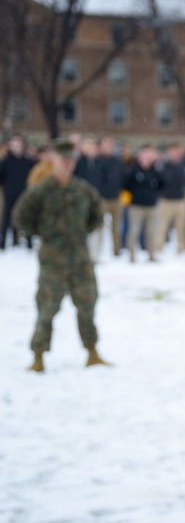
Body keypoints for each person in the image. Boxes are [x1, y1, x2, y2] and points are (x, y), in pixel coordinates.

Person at [12, 139, 108, 372]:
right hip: (52, 260)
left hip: (80, 259)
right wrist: (44, 234)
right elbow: (20, 217)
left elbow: (97, 215)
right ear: (53, 161)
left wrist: (81, 231)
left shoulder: (83, 190)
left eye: (70, 161)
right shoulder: (41, 191)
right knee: (47, 308)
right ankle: (38, 356)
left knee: (87, 306)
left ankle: (92, 352)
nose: (67, 165)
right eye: (62, 160)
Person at [122, 145, 163, 263]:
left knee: (151, 232)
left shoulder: (154, 171)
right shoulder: (133, 170)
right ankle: (132, 256)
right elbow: (125, 184)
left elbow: (162, 183)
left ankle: (151, 255)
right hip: (136, 205)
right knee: (134, 231)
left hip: (151, 205)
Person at [0, 134, 37, 250]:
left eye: (18, 143)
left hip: (24, 194)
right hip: (9, 193)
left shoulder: (27, 161)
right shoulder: (6, 161)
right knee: (7, 219)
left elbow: (32, 176)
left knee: (26, 217)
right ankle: (3, 242)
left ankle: (29, 241)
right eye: (14, 144)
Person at [154, 142, 185, 254]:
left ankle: (181, 248)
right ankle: (158, 248)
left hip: (181, 200)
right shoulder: (163, 166)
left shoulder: (184, 166)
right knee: (162, 226)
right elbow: (158, 182)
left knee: (181, 226)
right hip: (166, 200)